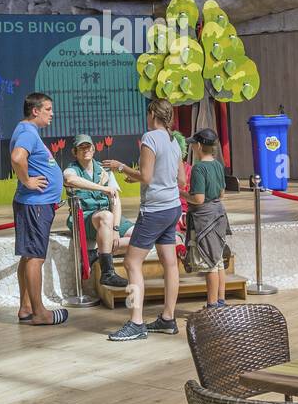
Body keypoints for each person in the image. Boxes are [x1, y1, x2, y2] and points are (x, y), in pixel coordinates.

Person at [103, 98, 186, 341]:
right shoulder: (173, 140)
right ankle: (168, 319)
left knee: (131, 263)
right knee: (169, 263)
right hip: (172, 208)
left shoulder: (150, 137)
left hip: (154, 210)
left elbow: (147, 177)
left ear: (152, 113)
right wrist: (141, 177)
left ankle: (136, 322)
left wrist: (121, 168)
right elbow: (181, 180)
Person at [11, 92, 68, 326]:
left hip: (35, 206)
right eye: (48, 109)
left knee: (28, 256)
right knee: (35, 258)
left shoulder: (28, 131)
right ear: (35, 111)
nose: (51, 114)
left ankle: (26, 307)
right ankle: (39, 313)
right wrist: (27, 181)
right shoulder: (27, 132)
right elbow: (17, 157)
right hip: (35, 206)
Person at [63, 135, 132, 288]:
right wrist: (103, 188)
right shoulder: (71, 169)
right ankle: (107, 273)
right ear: (75, 152)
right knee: (106, 216)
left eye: (88, 146)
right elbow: (69, 180)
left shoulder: (104, 170)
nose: (85, 150)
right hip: (85, 219)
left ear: (94, 149)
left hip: (108, 218)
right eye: (81, 147)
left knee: (141, 237)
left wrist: (115, 230)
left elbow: (116, 200)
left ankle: (96, 253)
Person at [185, 129, 231, 308]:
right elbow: (221, 193)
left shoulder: (198, 168)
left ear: (198, 146)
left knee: (209, 262)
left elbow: (199, 199)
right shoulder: (219, 165)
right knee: (218, 260)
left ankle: (211, 305)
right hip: (219, 214)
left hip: (205, 219)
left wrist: (182, 193)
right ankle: (220, 300)